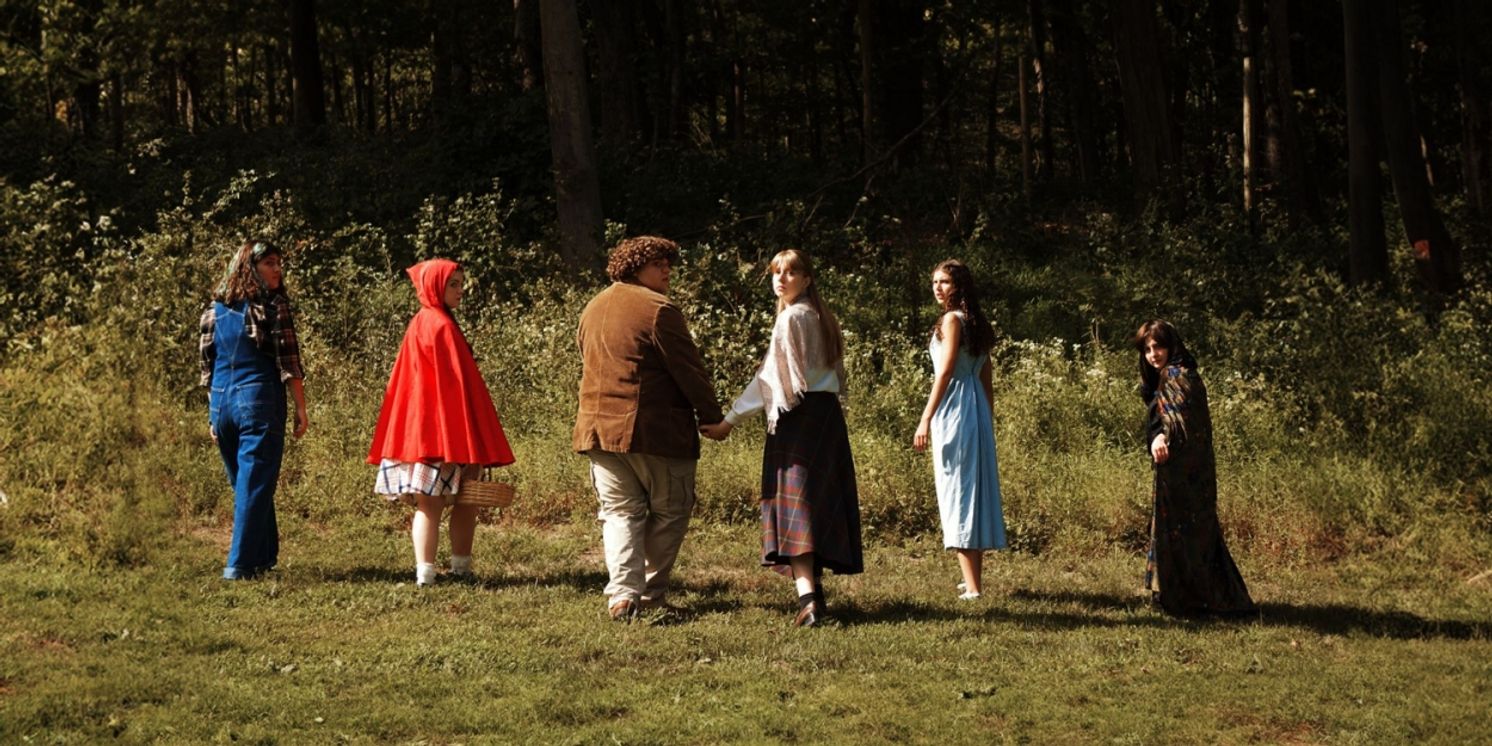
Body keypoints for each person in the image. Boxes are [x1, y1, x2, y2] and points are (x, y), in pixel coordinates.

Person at [701, 249, 862, 628]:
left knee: (798, 507)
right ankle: (816, 595)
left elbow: (770, 381)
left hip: (798, 418)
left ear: (807, 279)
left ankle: (808, 602)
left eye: (790, 273)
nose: (781, 279)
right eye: (776, 272)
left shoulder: (791, 318)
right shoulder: (823, 316)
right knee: (815, 502)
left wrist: (729, 421)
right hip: (826, 418)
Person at [574, 236, 724, 622]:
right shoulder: (659, 309)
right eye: (658, 263)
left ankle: (623, 596)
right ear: (634, 266)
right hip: (654, 431)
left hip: (598, 430)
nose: (667, 270)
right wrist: (711, 415)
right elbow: (688, 369)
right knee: (671, 510)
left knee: (620, 513)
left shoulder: (592, 307)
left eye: (668, 263)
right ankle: (649, 595)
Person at [368, 259, 515, 587]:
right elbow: (458, 387)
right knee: (462, 501)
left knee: (430, 504)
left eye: (461, 283)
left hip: (421, 431)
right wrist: (474, 434)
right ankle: (459, 569)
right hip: (448, 432)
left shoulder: (420, 321)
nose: (460, 290)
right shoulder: (442, 325)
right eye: (453, 284)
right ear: (435, 286)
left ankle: (426, 573)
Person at [199, 240, 309, 580]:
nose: (278, 269)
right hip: (258, 402)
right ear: (250, 269)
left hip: (222, 405)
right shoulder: (272, 307)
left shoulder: (212, 311)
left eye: (278, 263)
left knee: (248, 483)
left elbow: (206, 368)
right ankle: (239, 565)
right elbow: (290, 362)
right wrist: (301, 408)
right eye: (269, 263)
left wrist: (213, 415)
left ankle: (263, 555)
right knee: (253, 485)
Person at [1134, 319, 1255, 616]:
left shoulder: (1179, 376)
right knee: (1181, 532)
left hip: (1187, 469)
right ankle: (1182, 597)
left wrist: (1164, 437)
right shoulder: (1164, 377)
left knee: (1189, 533)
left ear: (1171, 346)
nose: (1153, 354)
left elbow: (1183, 425)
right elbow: (1160, 421)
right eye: (1147, 349)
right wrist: (1157, 437)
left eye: (1158, 346)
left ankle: (1199, 599)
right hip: (1178, 467)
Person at [912, 259, 1007, 601]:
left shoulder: (953, 320)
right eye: (934, 282)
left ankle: (974, 588)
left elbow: (947, 369)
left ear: (959, 286)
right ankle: (971, 579)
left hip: (955, 407)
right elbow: (986, 376)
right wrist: (986, 418)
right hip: (974, 406)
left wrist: (925, 418)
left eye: (945, 282)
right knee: (968, 488)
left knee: (959, 491)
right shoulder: (975, 322)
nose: (938, 288)